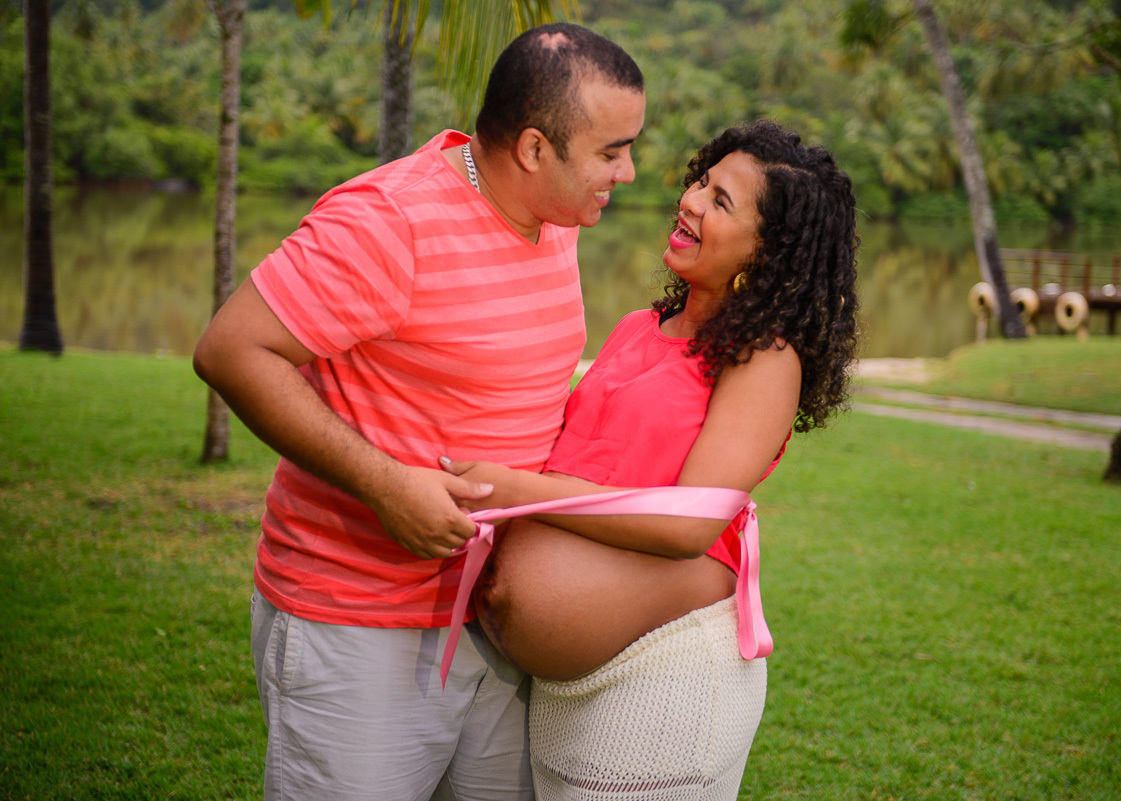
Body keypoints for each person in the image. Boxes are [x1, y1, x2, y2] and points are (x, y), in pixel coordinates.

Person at [191, 23, 645, 801]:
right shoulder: (388, 223)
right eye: (611, 151)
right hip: (360, 627)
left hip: (497, 622)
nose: (630, 172)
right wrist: (385, 483)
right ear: (535, 149)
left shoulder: (555, 218)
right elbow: (231, 350)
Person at [439, 119, 860, 800]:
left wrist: (514, 489)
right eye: (701, 181)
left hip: (664, 679)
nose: (690, 201)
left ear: (770, 251)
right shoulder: (640, 326)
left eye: (721, 201)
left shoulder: (764, 356)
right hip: (564, 685)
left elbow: (691, 524)